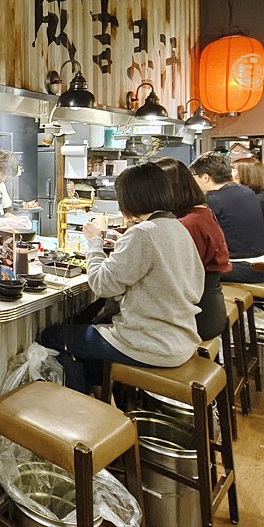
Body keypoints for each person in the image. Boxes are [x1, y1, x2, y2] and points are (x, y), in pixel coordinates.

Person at [39, 163, 203, 393]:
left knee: (53, 336)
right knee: (85, 335)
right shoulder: (177, 227)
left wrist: (94, 242)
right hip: (181, 338)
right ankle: (101, 398)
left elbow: (101, 285)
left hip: (149, 343)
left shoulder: (143, 233)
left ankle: (82, 412)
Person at [156, 158, 231, 341]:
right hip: (209, 307)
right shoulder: (201, 213)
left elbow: (177, 277)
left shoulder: (189, 223)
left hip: (197, 318)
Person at [191, 152, 264, 283]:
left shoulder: (212, 200)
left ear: (206, 177)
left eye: (194, 176)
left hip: (244, 268)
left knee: (193, 271)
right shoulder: (247, 192)